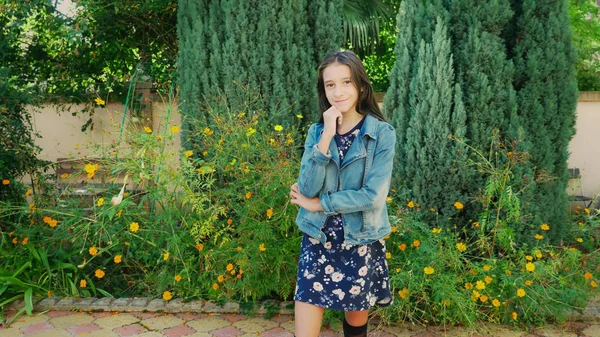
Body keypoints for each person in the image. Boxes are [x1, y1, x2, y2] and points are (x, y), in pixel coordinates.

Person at [289, 50, 396, 337]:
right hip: (318, 238)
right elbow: (307, 186)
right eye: (330, 84)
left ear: (361, 86)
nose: (338, 91)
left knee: (355, 328)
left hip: (359, 239)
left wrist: (319, 204)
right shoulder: (316, 132)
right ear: (323, 90)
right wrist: (326, 136)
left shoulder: (382, 134)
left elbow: (372, 195)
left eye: (346, 82)